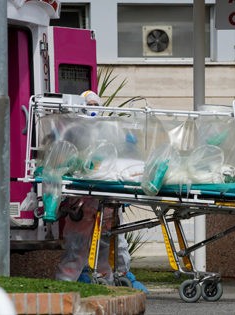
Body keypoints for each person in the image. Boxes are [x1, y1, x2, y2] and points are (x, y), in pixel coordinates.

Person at [56, 90, 148, 293]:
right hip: (82, 196)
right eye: (88, 106)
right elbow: (64, 159)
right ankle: (71, 278)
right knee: (77, 242)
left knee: (111, 238)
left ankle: (118, 276)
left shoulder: (110, 130)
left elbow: (121, 157)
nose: (93, 111)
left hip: (106, 193)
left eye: (95, 106)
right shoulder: (73, 130)